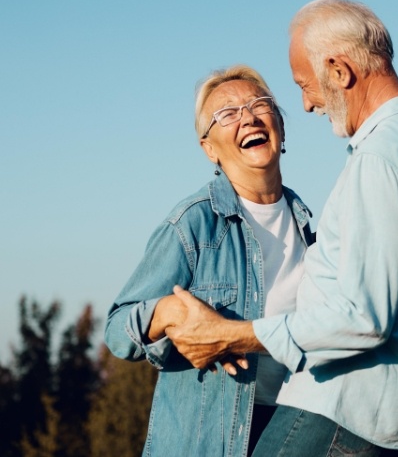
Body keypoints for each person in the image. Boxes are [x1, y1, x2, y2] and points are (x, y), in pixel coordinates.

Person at [165, 0, 398, 456]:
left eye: (306, 85)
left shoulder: (379, 159)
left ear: (340, 71)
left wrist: (231, 334)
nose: (306, 104)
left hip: (336, 414)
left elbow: (363, 319)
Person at [104, 64, 315, 456]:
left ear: (281, 128)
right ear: (209, 148)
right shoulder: (193, 223)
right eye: (227, 114)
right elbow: (118, 329)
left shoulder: (309, 225)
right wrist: (167, 311)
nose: (248, 117)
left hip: (290, 429)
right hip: (208, 442)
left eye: (259, 104)